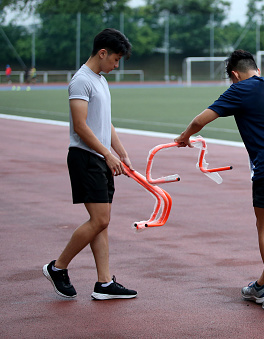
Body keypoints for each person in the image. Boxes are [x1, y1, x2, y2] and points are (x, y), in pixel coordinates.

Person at [174, 50, 264, 313]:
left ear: (235, 75)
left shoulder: (239, 90)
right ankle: (261, 287)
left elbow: (200, 120)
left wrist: (184, 137)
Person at [43, 28, 137, 300]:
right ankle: (57, 267)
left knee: (101, 222)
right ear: (102, 52)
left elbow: (105, 122)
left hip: (99, 157)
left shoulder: (100, 80)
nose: (116, 65)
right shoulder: (80, 81)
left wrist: (122, 152)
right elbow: (81, 127)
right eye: (115, 59)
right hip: (85, 157)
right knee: (100, 219)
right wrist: (107, 155)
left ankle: (104, 283)